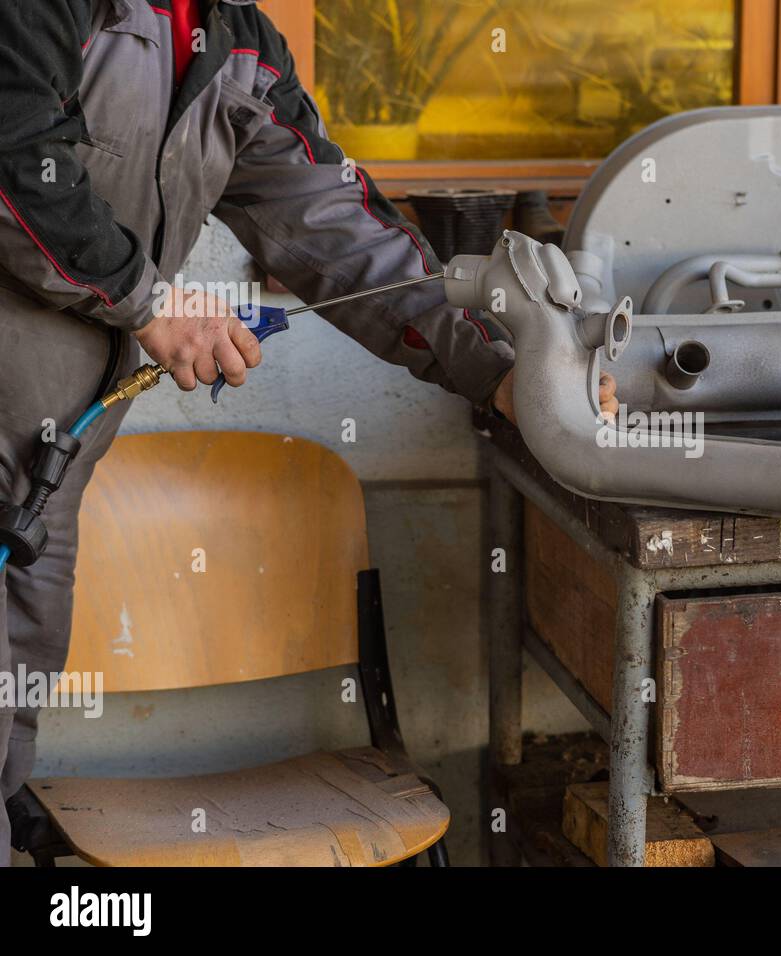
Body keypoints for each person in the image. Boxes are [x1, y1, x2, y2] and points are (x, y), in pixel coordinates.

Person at [0, 0, 615, 862]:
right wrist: (152, 303)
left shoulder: (237, 47)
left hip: (39, 487)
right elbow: (15, 158)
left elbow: (341, 229)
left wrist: (506, 374)